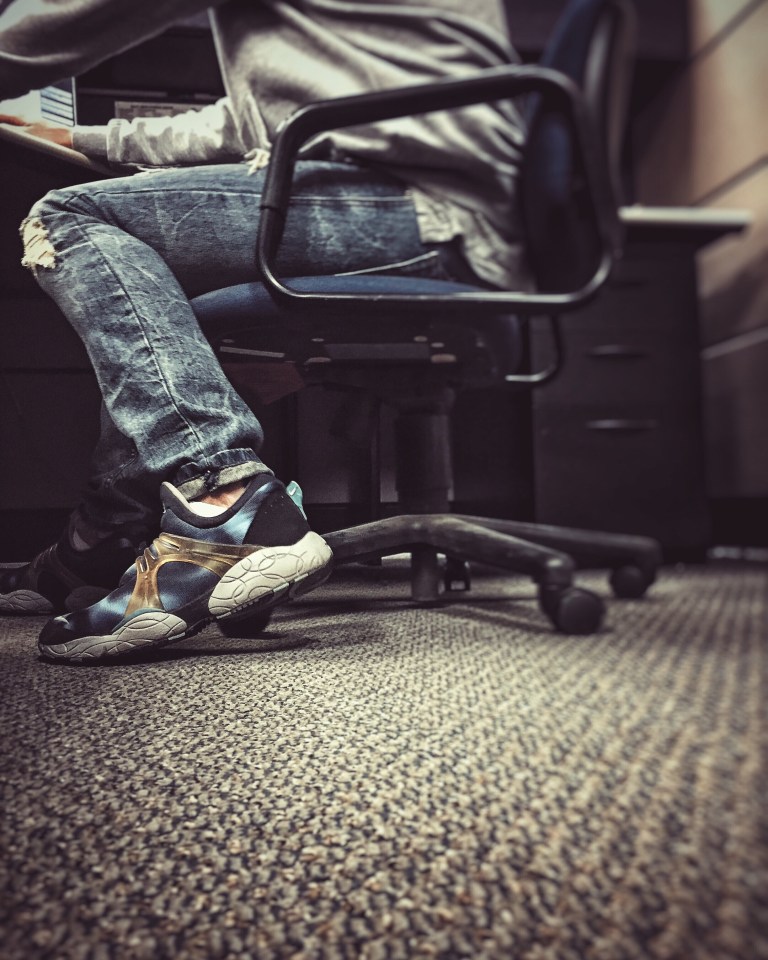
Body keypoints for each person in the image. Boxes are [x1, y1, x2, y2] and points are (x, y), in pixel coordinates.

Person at [0, 0, 527, 663]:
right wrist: (87, 140)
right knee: (139, 291)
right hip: (435, 207)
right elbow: (248, 124)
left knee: (67, 218)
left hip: (417, 209)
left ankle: (220, 497)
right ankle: (103, 541)